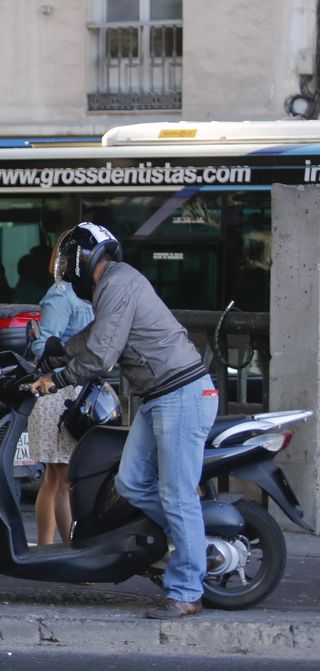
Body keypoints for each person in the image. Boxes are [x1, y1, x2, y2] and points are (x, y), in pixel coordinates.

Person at [31, 222, 217, 620]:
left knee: (177, 495)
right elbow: (96, 335)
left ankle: (186, 590)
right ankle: (190, 544)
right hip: (158, 397)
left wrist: (57, 379)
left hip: (181, 395)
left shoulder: (118, 283)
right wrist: (59, 349)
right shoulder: (112, 286)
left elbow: (100, 356)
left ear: (80, 260)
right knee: (131, 484)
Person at [26, 249, 99, 547]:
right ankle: (70, 548)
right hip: (60, 392)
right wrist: (79, 350)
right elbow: (44, 345)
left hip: (69, 390)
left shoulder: (77, 292)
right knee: (64, 478)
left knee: (57, 478)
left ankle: (48, 547)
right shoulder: (64, 293)